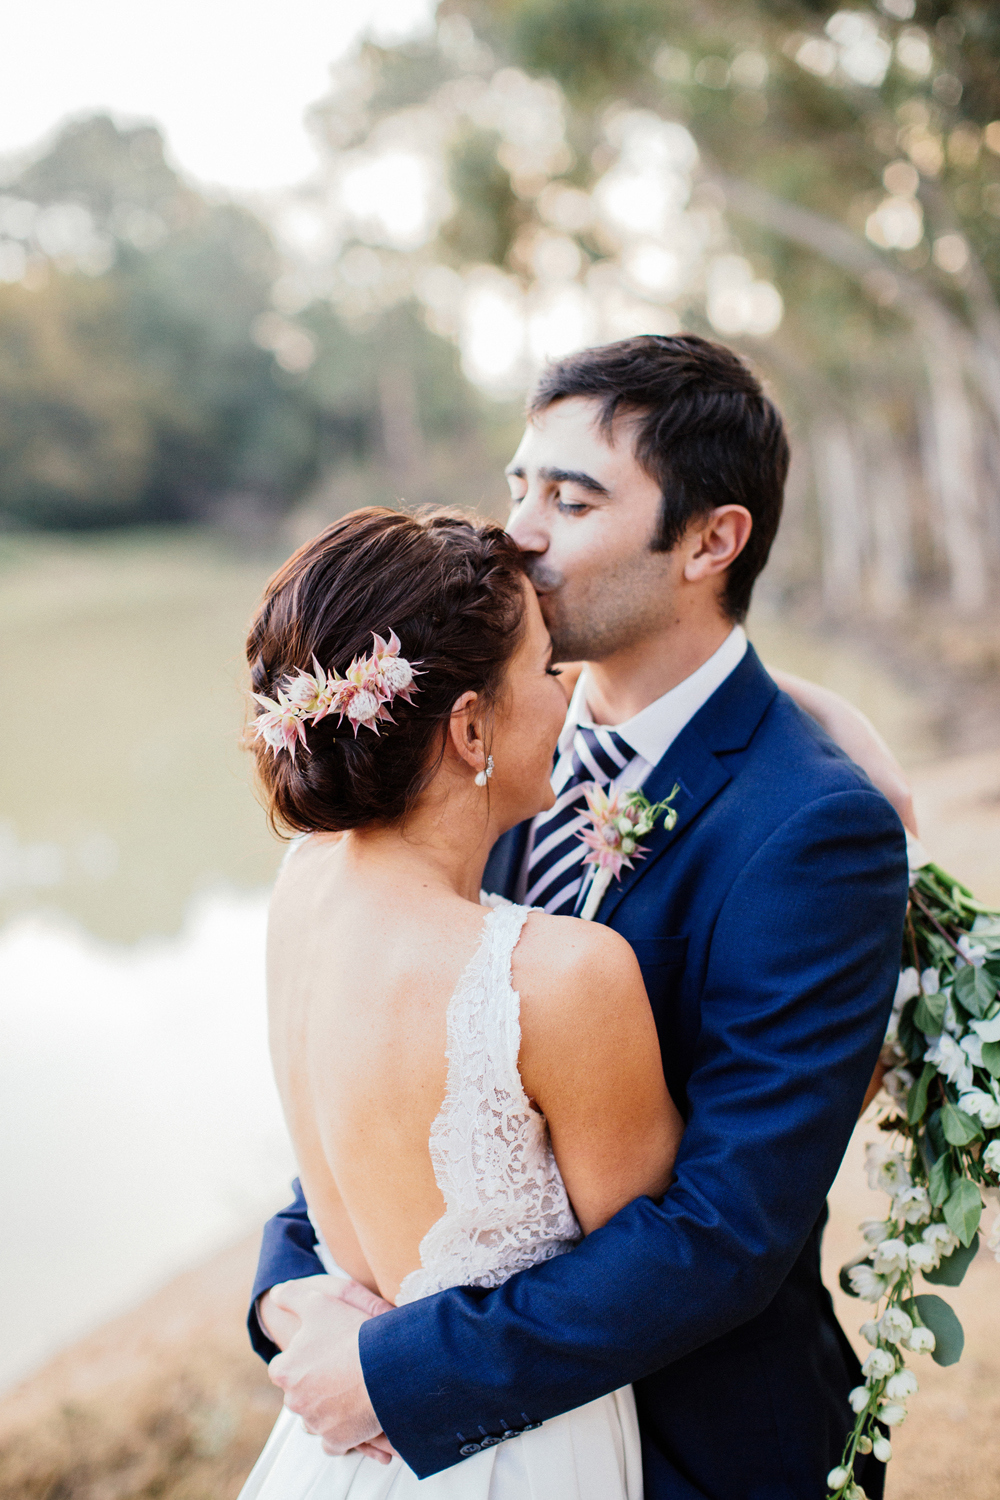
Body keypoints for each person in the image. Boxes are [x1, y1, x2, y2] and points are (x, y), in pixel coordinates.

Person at [246, 335, 911, 1499]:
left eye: (572, 496)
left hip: (683, 1451)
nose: (520, 531)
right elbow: (396, 1082)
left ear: (712, 539)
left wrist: (397, 1370)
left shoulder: (814, 824)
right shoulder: (466, 758)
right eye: (517, 485)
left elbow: (725, 1230)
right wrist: (289, 1284)